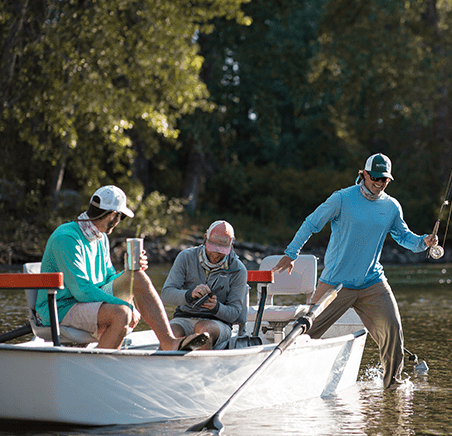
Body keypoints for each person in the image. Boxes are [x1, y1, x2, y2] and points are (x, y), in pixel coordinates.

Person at [272, 153, 438, 388]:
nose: (379, 184)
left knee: (393, 331)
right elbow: (311, 223)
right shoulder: (341, 199)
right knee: (306, 333)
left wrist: (424, 242)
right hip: (335, 284)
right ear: (364, 174)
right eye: (376, 178)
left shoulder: (391, 207)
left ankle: (393, 386)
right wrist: (291, 254)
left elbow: (404, 237)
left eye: (385, 180)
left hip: (372, 283)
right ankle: (282, 378)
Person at [36, 185, 208, 351]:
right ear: (112, 215)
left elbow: (108, 277)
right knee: (121, 314)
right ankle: (99, 368)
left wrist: (128, 270)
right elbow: (81, 291)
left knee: (137, 277)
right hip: (61, 307)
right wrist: (125, 306)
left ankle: (169, 342)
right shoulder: (67, 238)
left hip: (84, 300)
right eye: (121, 217)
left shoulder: (100, 237)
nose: (119, 222)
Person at [161, 220, 248, 350]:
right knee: (169, 335)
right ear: (205, 239)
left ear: (231, 245)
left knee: (203, 331)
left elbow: (235, 313)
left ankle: (202, 368)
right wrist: (189, 295)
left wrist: (216, 307)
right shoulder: (185, 257)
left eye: (222, 250)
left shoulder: (239, 269)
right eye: (212, 247)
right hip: (183, 318)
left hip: (218, 323)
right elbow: (166, 294)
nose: (215, 254)